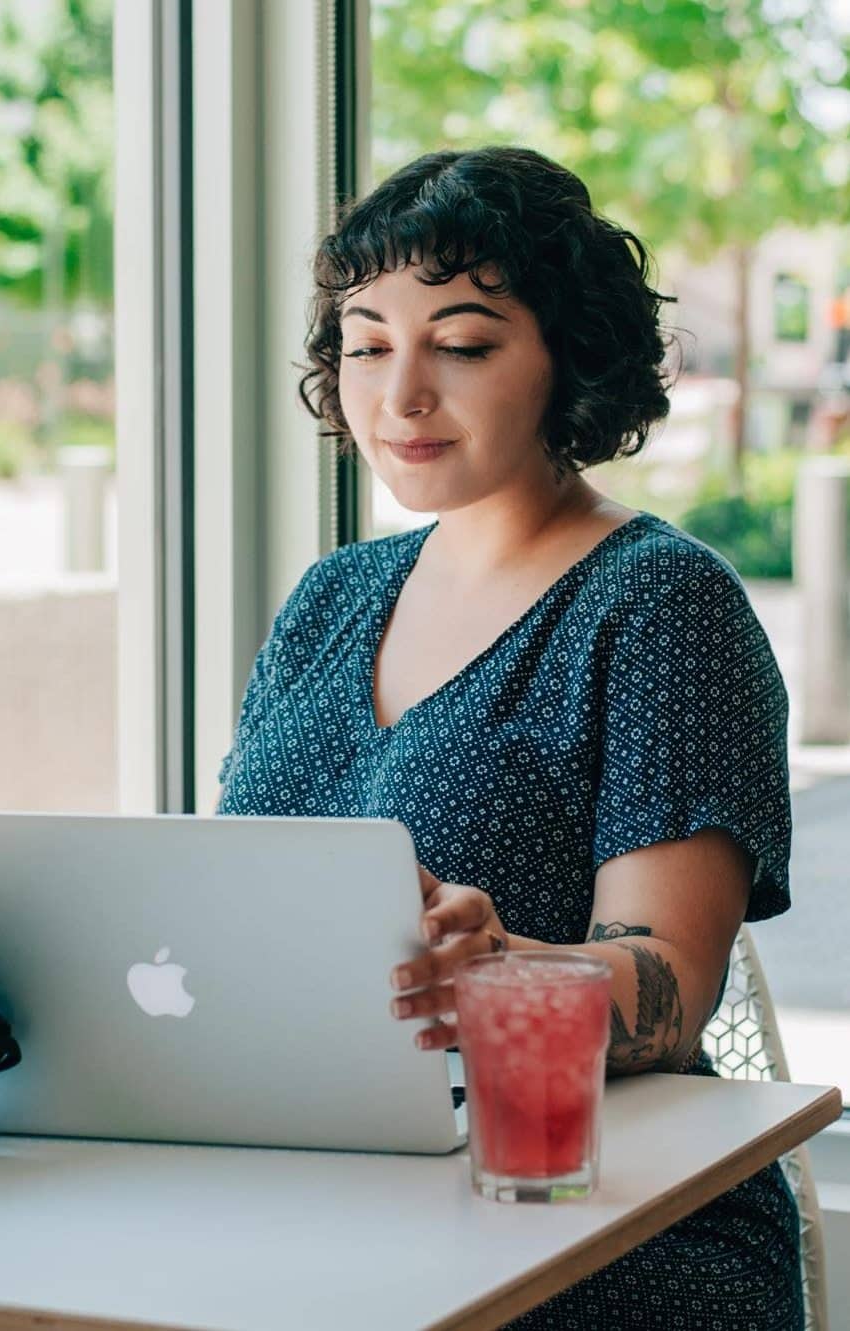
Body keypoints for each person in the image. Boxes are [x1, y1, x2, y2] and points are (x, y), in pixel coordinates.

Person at [215, 145, 801, 1329]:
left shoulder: (656, 604)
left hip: (590, 1224)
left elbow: (668, 991)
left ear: (566, 361)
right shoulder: (330, 600)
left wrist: (500, 972)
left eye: (463, 344)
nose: (398, 393)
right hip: (336, 1187)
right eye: (367, 343)